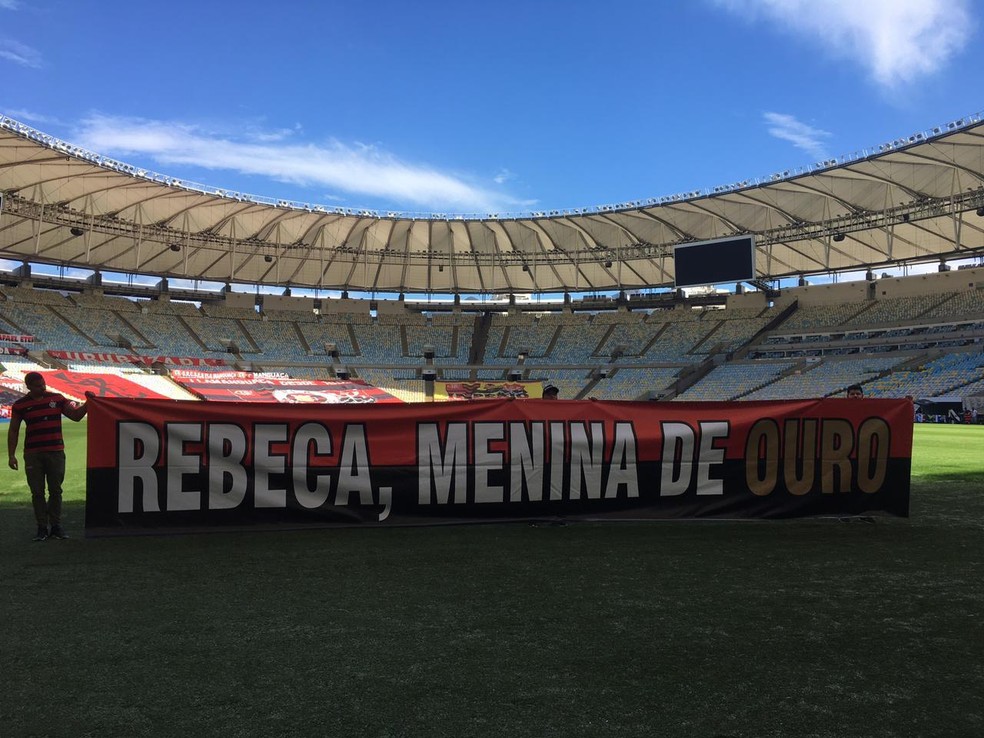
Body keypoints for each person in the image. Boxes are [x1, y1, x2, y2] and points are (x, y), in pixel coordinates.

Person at [7, 372, 89, 541]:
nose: (43, 387)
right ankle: (42, 527)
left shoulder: (57, 399)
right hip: (33, 454)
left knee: (56, 490)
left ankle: (56, 526)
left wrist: (89, 403)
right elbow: (13, 430)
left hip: (55, 452)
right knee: (37, 492)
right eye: (38, 385)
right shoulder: (20, 405)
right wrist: (11, 455)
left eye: (43, 383)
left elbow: (75, 416)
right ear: (28, 387)